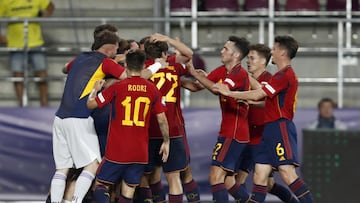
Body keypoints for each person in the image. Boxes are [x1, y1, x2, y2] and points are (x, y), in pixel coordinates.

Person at [49, 30, 166, 203]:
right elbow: (133, 77)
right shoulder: (105, 63)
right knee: (94, 165)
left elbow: (65, 68)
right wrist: (157, 65)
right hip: (80, 118)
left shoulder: (80, 57)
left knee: (63, 169)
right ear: (111, 49)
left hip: (59, 118)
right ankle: (75, 201)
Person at [213, 35, 315, 203]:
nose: (272, 52)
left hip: (280, 126)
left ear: (282, 52)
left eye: (274, 49)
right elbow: (266, 101)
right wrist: (250, 101)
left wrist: (230, 93)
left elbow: (260, 93)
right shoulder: (279, 75)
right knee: (260, 177)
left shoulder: (285, 75)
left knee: (287, 173)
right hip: (269, 129)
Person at [87, 49, 170, 203]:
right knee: (128, 191)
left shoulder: (118, 87)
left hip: (117, 149)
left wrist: (94, 91)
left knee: (100, 185)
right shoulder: (152, 89)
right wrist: (166, 141)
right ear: (143, 65)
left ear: (126, 65)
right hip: (140, 151)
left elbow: (91, 104)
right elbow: (162, 118)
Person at [185, 36, 251, 203]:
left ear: (236, 55)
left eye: (226, 49)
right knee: (227, 181)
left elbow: (217, 89)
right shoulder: (222, 70)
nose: (222, 51)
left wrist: (194, 72)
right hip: (228, 132)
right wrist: (172, 79)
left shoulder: (239, 73)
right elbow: (196, 86)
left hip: (235, 133)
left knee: (215, 176)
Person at [140, 33, 201, 203]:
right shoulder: (174, 67)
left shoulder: (143, 69)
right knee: (175, 177)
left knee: (146, 177)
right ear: (165, 54)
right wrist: (169, 39)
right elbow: (189, 54)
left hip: (148, 130)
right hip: (172, 128)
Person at [0, 0, 55, 106]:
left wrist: (44, 14)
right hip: (15, 43)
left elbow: (50, 6)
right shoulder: (4, 1)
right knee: (17, 75)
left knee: (41, 73)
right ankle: (22, 105)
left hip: (36, 42)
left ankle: (44, 105)